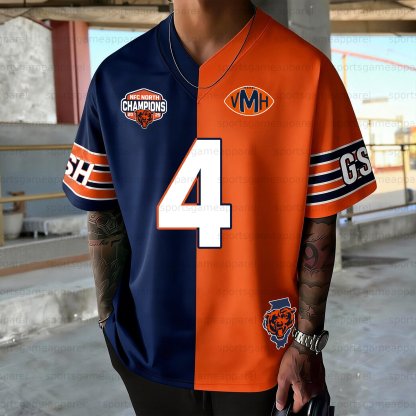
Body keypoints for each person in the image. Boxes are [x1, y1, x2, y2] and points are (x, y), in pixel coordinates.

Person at [62, 0, 378, 414]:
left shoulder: (308, 71)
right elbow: (103, 213)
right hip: (148, 353)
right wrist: (109, 323)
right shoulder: (115, 76)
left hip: (266, 358)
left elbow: (320, 219)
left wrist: (306, 342)